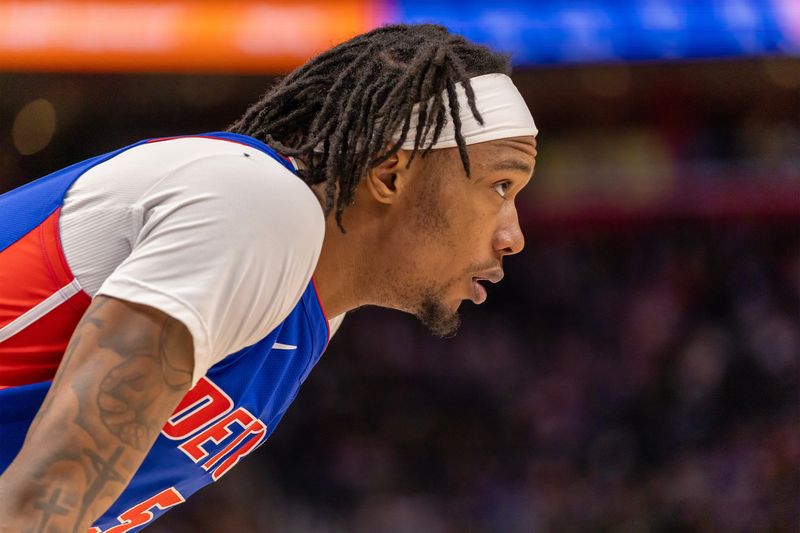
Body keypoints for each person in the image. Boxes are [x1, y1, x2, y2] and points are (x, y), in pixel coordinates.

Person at [0, 23, 537, 531]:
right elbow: (41, 499)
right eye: (500, 186)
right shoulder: (257, 205)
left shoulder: (316, 310)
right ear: (390, 175)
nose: (513, 236)